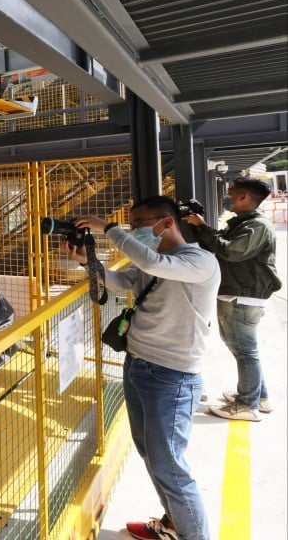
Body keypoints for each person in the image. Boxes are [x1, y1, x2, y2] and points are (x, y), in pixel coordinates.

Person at [63, 196, 218, 540]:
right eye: (131, 226)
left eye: (140, 225)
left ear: (167, 223)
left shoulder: (199, 261)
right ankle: (174, 524)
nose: (135, 232)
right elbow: (125, 281)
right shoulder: (154, 262)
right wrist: (90, 264)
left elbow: (149, 261)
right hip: (138, 365)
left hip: (172, 376)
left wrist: (108, 229)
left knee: (170, 467)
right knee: (151, 456)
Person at [183, 176, 281, 422]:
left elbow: (229, 251)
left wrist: (203, 227)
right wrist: (201, 227)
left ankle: (247, 404)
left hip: (243, 296)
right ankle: (259, 397)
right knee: (243, 350)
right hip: (239, 293)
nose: (227, 196)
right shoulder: (245, 222)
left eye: (231, 192)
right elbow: (223, 245)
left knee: (245, 351)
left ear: (244, 197)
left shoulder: (257, 226)